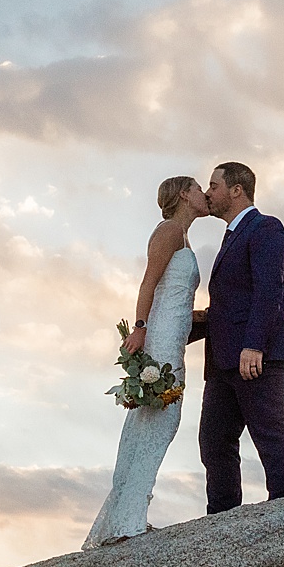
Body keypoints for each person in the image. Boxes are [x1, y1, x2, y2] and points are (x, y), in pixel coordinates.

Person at [82, 175, 212, 547]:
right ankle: (128, 520)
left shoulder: (184, 236)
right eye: (200, 189)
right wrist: (139, 328)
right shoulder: (168, 231)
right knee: (157, 421)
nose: (205, 194)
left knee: (156, 424)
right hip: (159, 340)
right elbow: (148, 282)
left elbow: (175, 294)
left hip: (175, 337)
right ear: (185, 194)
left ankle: (128, 514)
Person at [195, 161, 284, 512]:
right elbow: (232, 302)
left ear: (236, 190)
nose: (208, 192)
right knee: (214, 441)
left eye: (214, 185)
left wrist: (254, 345)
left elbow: (269, 291)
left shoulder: (266, 228)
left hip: (257, 356)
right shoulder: (231, 236)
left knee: (271, 434)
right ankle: (221, 519)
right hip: (223, 361)